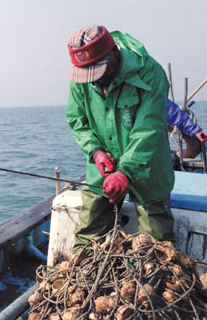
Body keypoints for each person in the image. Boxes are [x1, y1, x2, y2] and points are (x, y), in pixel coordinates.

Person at [65, 25, 175, 252]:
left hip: (147, 167)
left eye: (98, 72)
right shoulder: (82, 74)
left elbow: (149, 128)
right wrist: (95, 151)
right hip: (102, 171)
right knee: (88, 237)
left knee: (156, 249)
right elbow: (77, 121)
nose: (94, 80)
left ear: (114, 53)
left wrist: (125, 171)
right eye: (87, 74)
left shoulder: (150, 73)